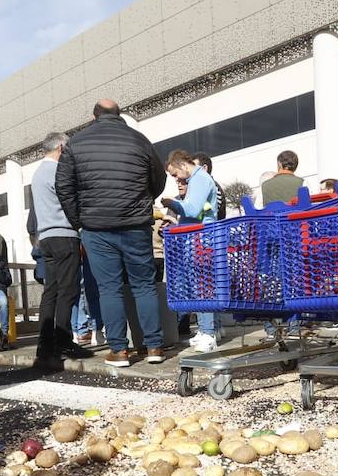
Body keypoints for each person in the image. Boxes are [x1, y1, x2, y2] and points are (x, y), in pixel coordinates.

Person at [55, 99, 168, 368]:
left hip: (96, 227)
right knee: (144, 285)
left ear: (94, 116)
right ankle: (154, 346)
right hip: (135, 224)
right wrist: (142, 201)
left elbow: (64, 186)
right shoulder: (139, 139)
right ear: (119, 115)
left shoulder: (77, 143)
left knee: (109, 289)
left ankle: (119, 350)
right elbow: (159, 179)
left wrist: (78, 221)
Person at [30, 131, 90, 369]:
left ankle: (44, 345)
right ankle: (63, 341)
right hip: (65, 234)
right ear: (62, 149)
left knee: (51, 291)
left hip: (46, 237)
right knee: (68, 291)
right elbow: (72, 200)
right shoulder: (58, 171)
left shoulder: (37, 174)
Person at [163, 149, 223, 352]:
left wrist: (172, 203)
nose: (175, 178)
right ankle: (206, 330)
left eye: (174, 174)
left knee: (203, 286)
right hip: (198, 239)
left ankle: (208, 332)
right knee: (200, 286)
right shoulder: (199, 179)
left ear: (182, 165)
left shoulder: (199, 180)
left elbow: (193, 209)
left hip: (201, 240)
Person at [193, 153, 226, 220]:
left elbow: (210, 214)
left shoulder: (213, 188)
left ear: (204, 168)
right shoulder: (203, 188)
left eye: (194, 169)